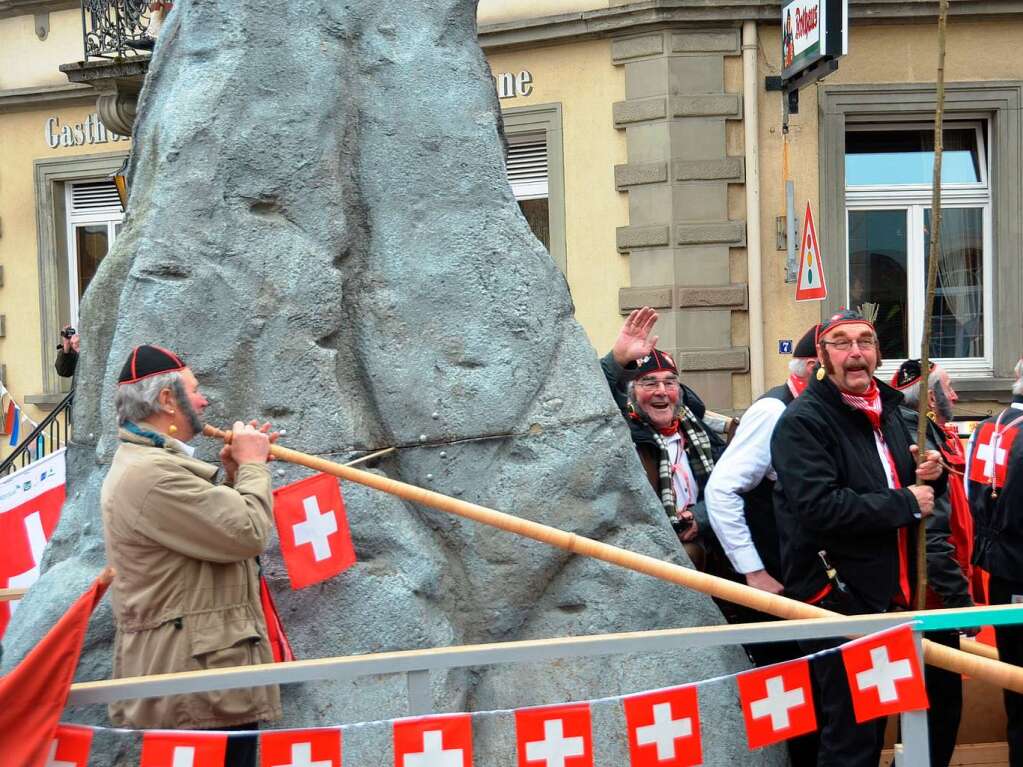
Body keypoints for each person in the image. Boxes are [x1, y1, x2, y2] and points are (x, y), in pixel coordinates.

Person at [771, 309, 944, 767]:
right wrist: (906, 502)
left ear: (878, 353)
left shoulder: (888, 410)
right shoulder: (803, 422)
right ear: (822, 358)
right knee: (851, 734)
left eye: (864, 342)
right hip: (838, 602)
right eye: (842, 343)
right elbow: (819, 507)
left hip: (889, 596)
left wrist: (929, 475)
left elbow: (901, 484)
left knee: (878, 723)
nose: (855, 353)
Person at [101, 344, 281, 767]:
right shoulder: (151, 474)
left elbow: (215, 540)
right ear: (167, 400)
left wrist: (237, 475)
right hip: (196, 685)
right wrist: (254, 465)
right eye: (195, 390)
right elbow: (248, 533)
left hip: (201, 676)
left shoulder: (148, 465)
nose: (203, 401)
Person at [703, 322, 820, 767]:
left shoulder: (809, 406)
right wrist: (752, 570)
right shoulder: (774, 411)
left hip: (797, 573)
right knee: (785, 690)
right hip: (772, 578)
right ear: (812, 366)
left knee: (810, 688)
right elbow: (721, 490)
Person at [893, 359, 974, 767]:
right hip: (932, 601)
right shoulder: (920, 439)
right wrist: (961, 604)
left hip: (938, 594)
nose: (955, 397)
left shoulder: (937, 438)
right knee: (938, 708)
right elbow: (934, 536)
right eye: (948, 388)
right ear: (925, 395)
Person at [601, 307, 725, 568]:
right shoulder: (623, 431)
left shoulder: (697, 431)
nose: (661, 392)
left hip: (710, 543)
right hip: (648, 552)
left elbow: (731, 484)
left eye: (669, 383)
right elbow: (587, 396)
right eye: (649, 383)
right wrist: (616, 360)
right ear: (632, 393)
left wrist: (699, 516)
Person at [965, 358, 1023, 766]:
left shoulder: (988, 426)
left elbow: (975, 490)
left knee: (1014, 677)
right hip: (1019, 560)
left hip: (999, 565)